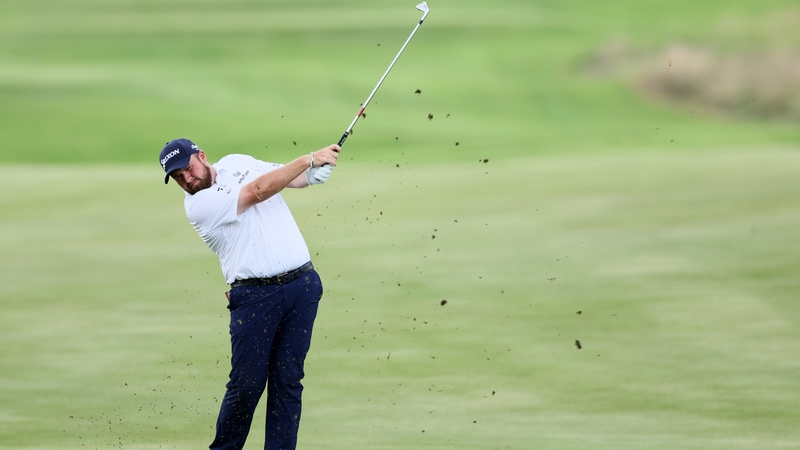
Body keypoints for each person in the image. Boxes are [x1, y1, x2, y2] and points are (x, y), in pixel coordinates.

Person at [158, 138, 340, 450]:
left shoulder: (235, 162)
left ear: (202, 156)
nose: (186, 179)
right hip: (256, 299)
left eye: (187, 169)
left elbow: (284, 176)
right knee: (246, 386)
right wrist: (309, 157)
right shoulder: (199, 206)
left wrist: (311, 173)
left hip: (302, 287)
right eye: (177, 178)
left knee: (288, 382)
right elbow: (257, 192)